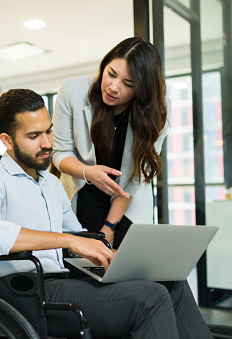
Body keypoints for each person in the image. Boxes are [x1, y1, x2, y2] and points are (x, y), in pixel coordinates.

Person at [0, 89, 212, 338]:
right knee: (149, 298)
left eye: (48, 131)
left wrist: (117, 256)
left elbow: (79, 234)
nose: (47, 143)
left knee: (171, 282)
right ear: (7, 140)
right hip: (25, 294)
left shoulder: (50, 184)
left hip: (64, 280)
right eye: (34, 135)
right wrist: (69, 240)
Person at [52, 37, 170, 248]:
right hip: (83, 192)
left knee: (129, 270)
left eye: (128, 84)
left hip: (127, 201)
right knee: (85, 269)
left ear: (142, 90)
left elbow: (138, 176)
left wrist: (109, 226)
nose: (114, 87)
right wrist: (88, 173)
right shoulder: (72, 91)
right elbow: (60, 152)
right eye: (111, 74)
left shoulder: (158, 110)